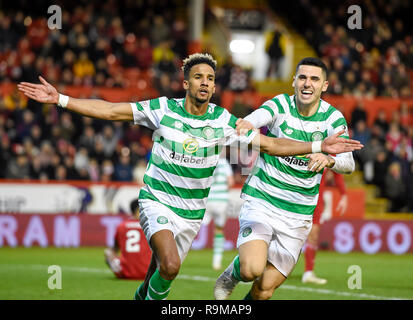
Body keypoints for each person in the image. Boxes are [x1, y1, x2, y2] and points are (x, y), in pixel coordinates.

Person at [18, 53, 362, 300]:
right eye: (198, 77)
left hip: (191, 213)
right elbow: (111, 110)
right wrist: (61, 99)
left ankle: (144, 295)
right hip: (157, 199)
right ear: (186, 82)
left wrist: (319, 146)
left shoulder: (222, 121)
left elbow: (270, 144)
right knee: (169, 264)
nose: (205, 83)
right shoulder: (163, 109)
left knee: (170, 270)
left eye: (210, 79)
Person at [214, 57, 358, 300]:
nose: (307, 83)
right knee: (252, 269)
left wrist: (330, 160)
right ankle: (232, 273)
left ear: (324, 85)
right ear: (294, 81)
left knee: (264, 290)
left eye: (314, 79)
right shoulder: (280, 104)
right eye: (302, 77)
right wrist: (248, 123)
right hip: (263, 200)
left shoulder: (333, 119)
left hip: (298, 215)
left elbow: (349, 162)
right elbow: (256, 118)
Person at [302, 168, 347, 285]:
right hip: (296, 196)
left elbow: (337, 172)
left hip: (316, 199)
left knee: (314, 234)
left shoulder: (328, 151)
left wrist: (343, 195)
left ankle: (308, 273)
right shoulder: (298, 149)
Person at [104, 198, 152, 280]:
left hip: (125, 273)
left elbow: (115, 248)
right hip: (149, 274)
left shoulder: (122, 226)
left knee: (108, 252)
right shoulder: (150, 226)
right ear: (138, 210)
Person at [205, 154, 234, 270]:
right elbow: (230, 182)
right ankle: (216, 261)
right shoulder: (224, 163)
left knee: (194, 228)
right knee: (219, 230)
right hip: (221, 201)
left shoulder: (207, 161)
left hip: (208, 200)